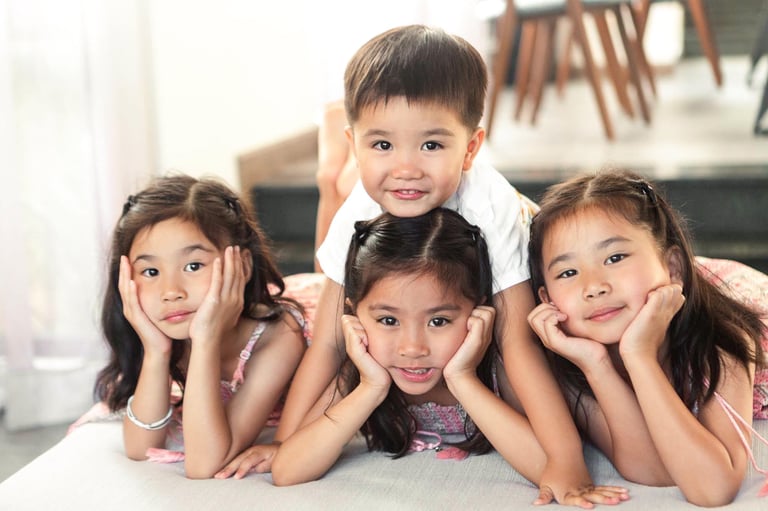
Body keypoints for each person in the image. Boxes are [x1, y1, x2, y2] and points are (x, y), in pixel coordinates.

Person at [222, 25, 627, 507]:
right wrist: (286, 443)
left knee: (523, 350)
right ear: (358, 144)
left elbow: (518, 344)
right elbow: (329, 338)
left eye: (432, 146)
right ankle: (331, 172)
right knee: (329, 290)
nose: (407, 168)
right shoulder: (361, 208)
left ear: (471, 148)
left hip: (531, 289)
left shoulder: (489, 206)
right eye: (382, 145)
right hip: (406, 274)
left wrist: (565, 461)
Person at [268, 208, 621, 497]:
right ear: (354, 316)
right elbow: (287, 470)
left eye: (438, 321)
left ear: (478, 313)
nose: (413, 348)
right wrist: (370, 388)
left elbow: (552, 467)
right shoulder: (362, 370)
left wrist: (463, 378)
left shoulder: (500, 369)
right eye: (388, 320)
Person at [526, 168, 768, 506]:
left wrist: (639, 356)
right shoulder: (569, 361)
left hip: (731, 294)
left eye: (615, 257)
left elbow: (713, 488)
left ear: (672, 268)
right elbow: (653, 469)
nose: (594, 286)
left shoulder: (723, 339)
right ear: (547, 300)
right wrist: (598, 365)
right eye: (568, 272)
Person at [93, 174, 307, 479]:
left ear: (242, 265)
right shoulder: (170, 327)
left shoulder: (278, 337)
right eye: (150, 271)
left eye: (193, 266)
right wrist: (156, 351)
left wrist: (206, 339)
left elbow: (204, 464)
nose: (171, 291)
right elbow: (140, 449)